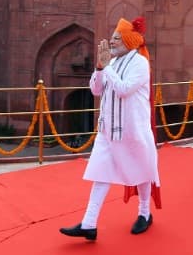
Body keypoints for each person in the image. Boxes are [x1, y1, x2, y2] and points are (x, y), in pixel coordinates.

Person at [59, 17, 161, 241]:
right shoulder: (112, 62)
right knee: (100, 174)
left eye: (116, 38)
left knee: (143, 172)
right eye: (112, 38)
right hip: (107, 131)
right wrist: (99, 68)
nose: (112, 42)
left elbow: (124, 89)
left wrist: (107, 68)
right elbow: (96, 90)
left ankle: (144, 213)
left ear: (128, 40)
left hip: (132, 130)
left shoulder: (140, 63)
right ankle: (89, 223)